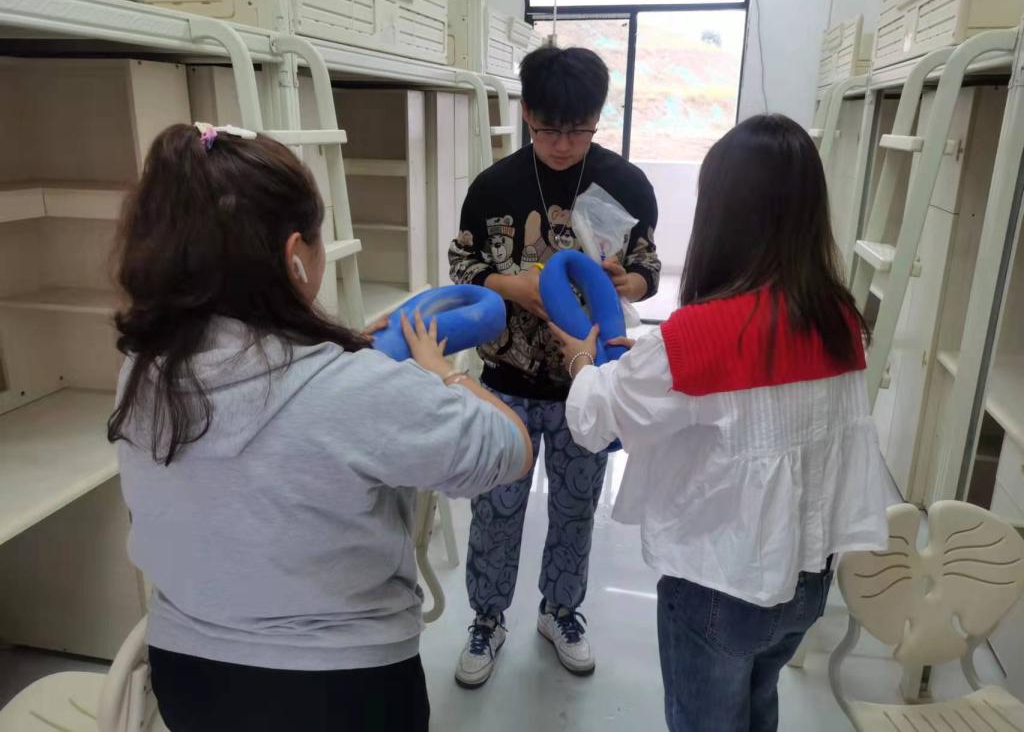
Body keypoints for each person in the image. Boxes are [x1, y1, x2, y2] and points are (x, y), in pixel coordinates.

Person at [108, 123, 533, 732]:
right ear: (294, 256)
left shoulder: (143, 371)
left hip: (189, 676)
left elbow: (267, 400)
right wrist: (441, 373)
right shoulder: (362, 391)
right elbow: (511, 448)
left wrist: (340, 350)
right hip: (340, 688)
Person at [551, 114, 891, 732]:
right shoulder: (839, 318)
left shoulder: (698, 337)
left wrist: (581, 359)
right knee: (759, 705)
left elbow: (597, 420)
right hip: (808, 580)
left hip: (720, 587)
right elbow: (748, 401)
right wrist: (653, 362)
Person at [448, 45, 662, 687]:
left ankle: (560, 611)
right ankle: (486, 619)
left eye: (578, 129)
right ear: (527, 115)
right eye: (548, 129)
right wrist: (511, 287)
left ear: (597, 118)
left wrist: (628, 282)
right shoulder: (494, 187)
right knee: (496, 509)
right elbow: (462, 265)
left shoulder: (625, 184)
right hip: (505, 381)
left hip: (587, 385)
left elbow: (649, 268)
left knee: (575, 508)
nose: (563, 144)